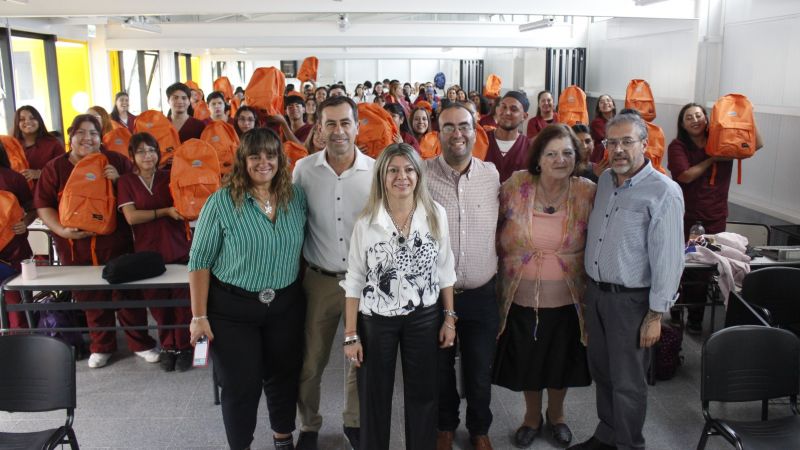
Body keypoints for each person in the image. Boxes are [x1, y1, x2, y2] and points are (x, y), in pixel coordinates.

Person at [569, 113, 684, 450]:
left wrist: (656, 315)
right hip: (597, 295)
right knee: (603, 373)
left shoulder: (663, 191)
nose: (618, 149)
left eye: (627, 142)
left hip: (632, 303)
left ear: (644, 145)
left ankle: (630, 444)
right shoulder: (605, 181)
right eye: (612, 142)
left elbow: (669, 259)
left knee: (628, 383)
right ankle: (607, 435)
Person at [188, 128, 308, 450]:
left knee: (284, 376)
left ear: (281, 159)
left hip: (285, 305)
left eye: (270, 155)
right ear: (243, 160)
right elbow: (199, 261)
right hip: (232, 310)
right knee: (242, 384)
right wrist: (199, 316)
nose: (263, 162)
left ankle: (283, 437)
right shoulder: (221, 203)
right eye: (255, 156)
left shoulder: (295, 197)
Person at [341, 143, 457, 450]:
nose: (401, 177)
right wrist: (351, 334)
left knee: (424, 395)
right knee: (374, 395)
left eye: (408, 170)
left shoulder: (435, 214)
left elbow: (445, 270)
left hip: (424, 317)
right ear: (382, 176)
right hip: (376, 320)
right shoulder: (367, 221)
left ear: (418, 175)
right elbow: (354, 279)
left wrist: (449, 318)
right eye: (393, 170)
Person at [493, 124, 596, 449]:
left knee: (561, 360)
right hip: (520, 292)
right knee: (529, 359)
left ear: (577, 156)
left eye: (567, 153)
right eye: (551, 153)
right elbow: (491, 219)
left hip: (569, 296)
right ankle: (531, 417)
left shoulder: (587, 191)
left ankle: (557, 415)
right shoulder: (517, 185)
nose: (559, 159)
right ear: (538, 158)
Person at [34, 114, 159, 369]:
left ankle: (140, 343)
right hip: (75, 246)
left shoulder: (116, 161)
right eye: (81, 132)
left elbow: (139, 192)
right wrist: (62, 230)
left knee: (127, 294)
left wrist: (119, 181)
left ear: (100, 138)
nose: (87, 138)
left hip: (116, 243)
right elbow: (43, 205)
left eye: (93, 133)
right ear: (71, 136)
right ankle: (101, 346)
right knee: (91, 298)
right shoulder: (55, 168)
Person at [293, 96, 374, 450]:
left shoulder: (375, 171)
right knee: (311, 360)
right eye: (330, 124)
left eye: (345, 123)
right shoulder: (303, 170)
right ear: (319, 129)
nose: (338, 131)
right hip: (320, 280)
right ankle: (308, 424)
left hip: (364, 283)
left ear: (357, 127)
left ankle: (354, 422)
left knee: (359, 359)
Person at [425, 103, 500, 450]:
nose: (458, 134)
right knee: (439, 368)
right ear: (438, 133)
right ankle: (445, 425)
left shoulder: (491, 175)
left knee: (479, 368)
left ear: (475, 130)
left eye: (464, 126)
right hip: (435, 295)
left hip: (482, 293)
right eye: (449, 127)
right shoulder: (421, 174)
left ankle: (479, 428)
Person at [666, 103, 763, 334]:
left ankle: (695, 319)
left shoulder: (723, 141)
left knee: (705, 268)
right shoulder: (678, 146)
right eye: (689, 117)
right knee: (684, 265)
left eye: (699, 115)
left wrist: (748, 116)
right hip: (688, 219)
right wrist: (713, 158)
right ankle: (677, 309)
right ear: (682, 124)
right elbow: (685, 175)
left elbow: (756, 144)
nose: (695, 120)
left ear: (707, 119)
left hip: (715, 219)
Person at [117, 132, 193, 372]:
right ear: (132, 156)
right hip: (148, 255)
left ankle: (184, 346)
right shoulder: (126, 182)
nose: (147, 155)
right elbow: (131, 217)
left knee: (183, 303)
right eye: (141, 151)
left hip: (178, 247)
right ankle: (168, 346)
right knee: (159, 305)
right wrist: (164, 212)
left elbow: (188, 205)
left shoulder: (170, 177)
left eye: (151, 150)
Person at [0, 141, 36, 329]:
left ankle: (20, 341)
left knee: (17, 307)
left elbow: (32, 208)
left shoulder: (13, 178)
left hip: (13, 252)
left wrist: (25, 223)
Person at [484, 91, 531, 183]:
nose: (507, 112)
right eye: (503, 107)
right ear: (497, 109)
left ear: (524, 116)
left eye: (513, 109)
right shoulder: (482, 140)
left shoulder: (530, 148)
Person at [12, 105, 65, 185]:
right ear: (17, 123)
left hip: (46, 190)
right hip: (17, 191)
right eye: (22, 119)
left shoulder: (53, 144)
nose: (27, 121)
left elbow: (63, 170)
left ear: (39, 121)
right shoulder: (11, 145)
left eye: (32, 118)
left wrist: (40, 173)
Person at [589, 95, 616, 163]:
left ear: (613, 106)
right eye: (602, 102)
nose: (605, 103)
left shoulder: (618, 121)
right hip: (600, 158)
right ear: (599, 108)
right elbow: (607, 139)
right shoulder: (596, 123)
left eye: (608, 100)